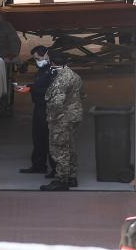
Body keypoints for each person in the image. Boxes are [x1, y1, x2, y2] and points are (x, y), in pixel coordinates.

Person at [40, 53, 83, 191]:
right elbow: (82, 95)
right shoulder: (74, 75)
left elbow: (57, 102)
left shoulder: (61, 79)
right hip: (73, 116)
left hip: (62, 119)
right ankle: (72, 176)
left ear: (52, 63)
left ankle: (61, 180)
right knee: (70, 146)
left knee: (60, 148)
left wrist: (53, 116)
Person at [17, 46, 56, 177]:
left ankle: (56, 169)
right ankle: (39, 165)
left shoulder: (53, 71)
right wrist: (29, 87)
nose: (37, 61)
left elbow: (52, 91)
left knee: (49, 139)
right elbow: (40, 85)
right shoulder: (42, 71)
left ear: (46, 55)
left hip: (49, 108)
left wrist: (31, 90)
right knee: (38, 137)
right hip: (39, 108)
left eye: (38, 58)